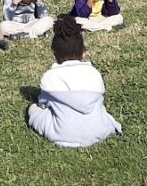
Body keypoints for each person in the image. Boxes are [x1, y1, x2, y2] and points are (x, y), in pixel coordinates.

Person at [28, 16, 122, 148]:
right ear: (83, 53)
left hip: (62, 133)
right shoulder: (94, 74)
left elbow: (43, 104)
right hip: (98, 131)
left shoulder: (50, 77)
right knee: (101, 108)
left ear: (55, 55)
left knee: (33, 109)